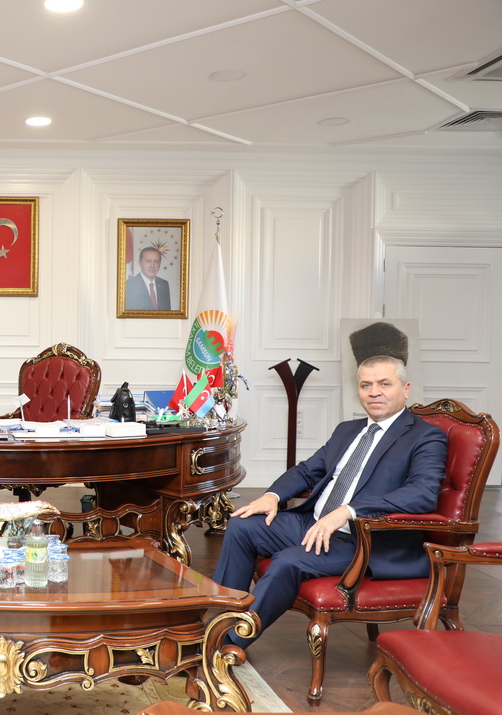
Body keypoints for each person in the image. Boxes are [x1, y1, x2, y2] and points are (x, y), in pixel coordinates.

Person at [211, 355, 446, 658]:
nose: (374, 392)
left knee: (288, 562)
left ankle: (227, 644)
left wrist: (349, 511)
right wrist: (273, 496)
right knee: (242, 526)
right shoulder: (348, 430)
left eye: (385, 384)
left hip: (363, 540)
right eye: (366, 385)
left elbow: (422, 493)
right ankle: (220, 622)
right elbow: (306, 471)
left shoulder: (425, 436)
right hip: (312, 523)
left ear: (406, 388)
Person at [125, 246, 171, 311]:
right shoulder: (129, 285)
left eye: (156, 261)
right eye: (148, 261)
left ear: (160, 263)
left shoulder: (164, 284)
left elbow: (167, 313)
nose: (152, 265)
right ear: (140, 263)